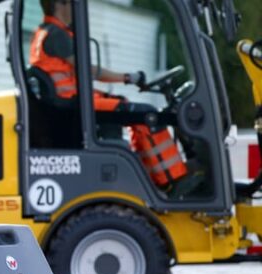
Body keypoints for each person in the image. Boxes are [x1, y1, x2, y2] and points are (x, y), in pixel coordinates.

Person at [30, 0, 188, 190]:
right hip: (74, 105)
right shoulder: (56, 35)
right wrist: (127, 77)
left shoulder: (46, 32)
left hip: (71, 103)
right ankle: (175, 180)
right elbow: (89, 70)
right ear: (61, 4)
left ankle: (150, 177)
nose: (74, 10)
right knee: (149, 115)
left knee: (128, 108)